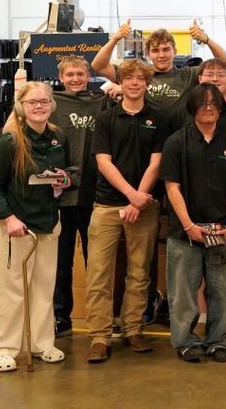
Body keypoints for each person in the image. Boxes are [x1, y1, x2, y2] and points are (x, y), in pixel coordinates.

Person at [0, 82, 72, 372]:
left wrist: (64, 180)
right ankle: (3, 348)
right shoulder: (9, 142)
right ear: (22, 105)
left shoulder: (58, 138)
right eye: (33, 102)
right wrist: (9, 218)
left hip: (48, 222)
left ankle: (42, 342)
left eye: (44, 101)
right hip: (16, 227)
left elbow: (67, 174)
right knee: (10, 290)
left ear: (51, 105)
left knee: (44, 287)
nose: (39, 106)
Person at [84, 59, 168, 364]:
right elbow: (103, 162)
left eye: (140, 78)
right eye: (128, 78)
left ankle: (133, 328)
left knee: (139, 271)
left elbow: (157, 162)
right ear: (121, 81)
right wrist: (129, 195)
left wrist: (138, 199)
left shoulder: (158, 117)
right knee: (98, 272)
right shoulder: (106, 118)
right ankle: (100, 335)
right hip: (107, 204)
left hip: (144, 204)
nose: (134, 83)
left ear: (147, 83)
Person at [162, 84, 226, 363]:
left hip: (223, 231)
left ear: (220, 108)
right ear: (192, 107)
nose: (208, 107)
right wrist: (189, 226)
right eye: (202, 103)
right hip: (185, 232)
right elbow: (172, 187)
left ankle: (218, 341)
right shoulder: (176, 142)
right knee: (183, 292)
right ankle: (186, 342)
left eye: (213, 103)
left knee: (222, 291)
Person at [51, 56, 110, 336]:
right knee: (61, 264)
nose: (75, 79)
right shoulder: (49, 104)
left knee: (96, 262)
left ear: (88, 76)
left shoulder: (102, 101)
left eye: (80, 74)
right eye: (70, 74)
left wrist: (115, 89)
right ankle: (61, 316)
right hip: (59, 198)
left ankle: (100, 318)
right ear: (61, 77)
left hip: (94, 195)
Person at [91, 22, 226, 120]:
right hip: (147, 137)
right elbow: (98, 65)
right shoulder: (138, 76)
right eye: (155, 50)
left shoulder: (189, 75)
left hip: (180, 140)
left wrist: (206, 40)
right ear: (148, 54)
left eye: (166, 50)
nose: (161, 55)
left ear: (175, 52)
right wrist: (115, 38)